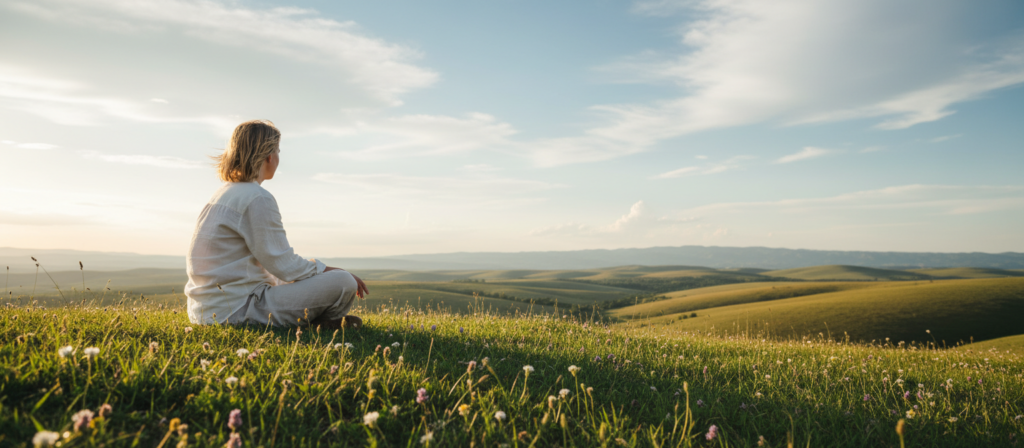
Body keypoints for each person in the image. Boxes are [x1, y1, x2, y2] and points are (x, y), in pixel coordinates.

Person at [184, 119, 367, 328]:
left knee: (326, 279)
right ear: (269, 156)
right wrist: (330, 270)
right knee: (343, 282)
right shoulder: (256, 197)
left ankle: (317, 324)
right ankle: (319, 324)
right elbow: (285, 266)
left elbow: (271, 266)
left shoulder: (221, 195)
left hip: (205, 311)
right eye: (277, 151)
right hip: (238, 309)